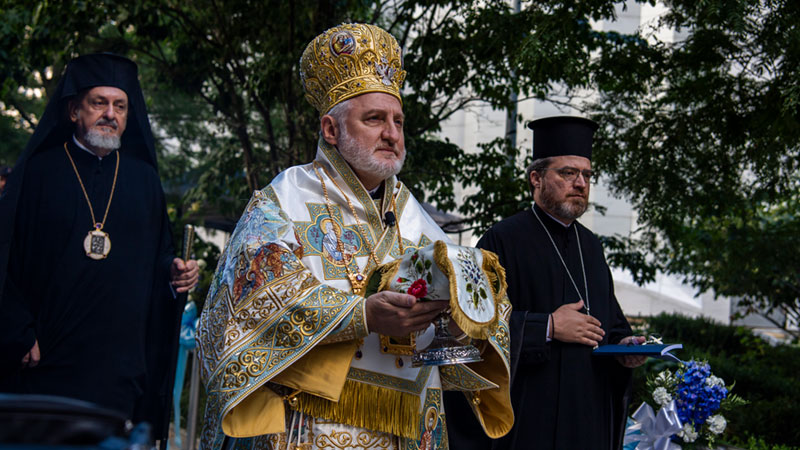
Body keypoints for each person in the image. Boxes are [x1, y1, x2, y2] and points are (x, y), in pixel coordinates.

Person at [196, 23, 513, 450]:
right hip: (312, 422)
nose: (392, 134)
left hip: (410, 426)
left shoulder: (413, 215)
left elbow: (469, 326)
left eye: (398, 121)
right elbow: (252, 297)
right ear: (331, 130)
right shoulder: (285, 198)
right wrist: (362, 316)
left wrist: (461, 321)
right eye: (374, 119)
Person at [0, 54, 199, 441]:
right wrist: (17, 330)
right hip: (45, 366)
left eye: (120, 106)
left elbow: (156, 257)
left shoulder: (143, 181)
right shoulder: (39, 175)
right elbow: (3, 255)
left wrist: (173, 271)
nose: (110, 114)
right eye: (99, 103)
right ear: (74, 110)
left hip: (117, 369)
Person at [444, 116, 646, 449]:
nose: (580, 183)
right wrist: (548, 327)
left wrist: (623, 349)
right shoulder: (501, 240)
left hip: (588, 416)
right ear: (536, 179)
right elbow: (470, 330)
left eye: (587, 175)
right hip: (530, 417)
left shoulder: (592, 247)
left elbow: (611, 324)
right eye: (568, 173)